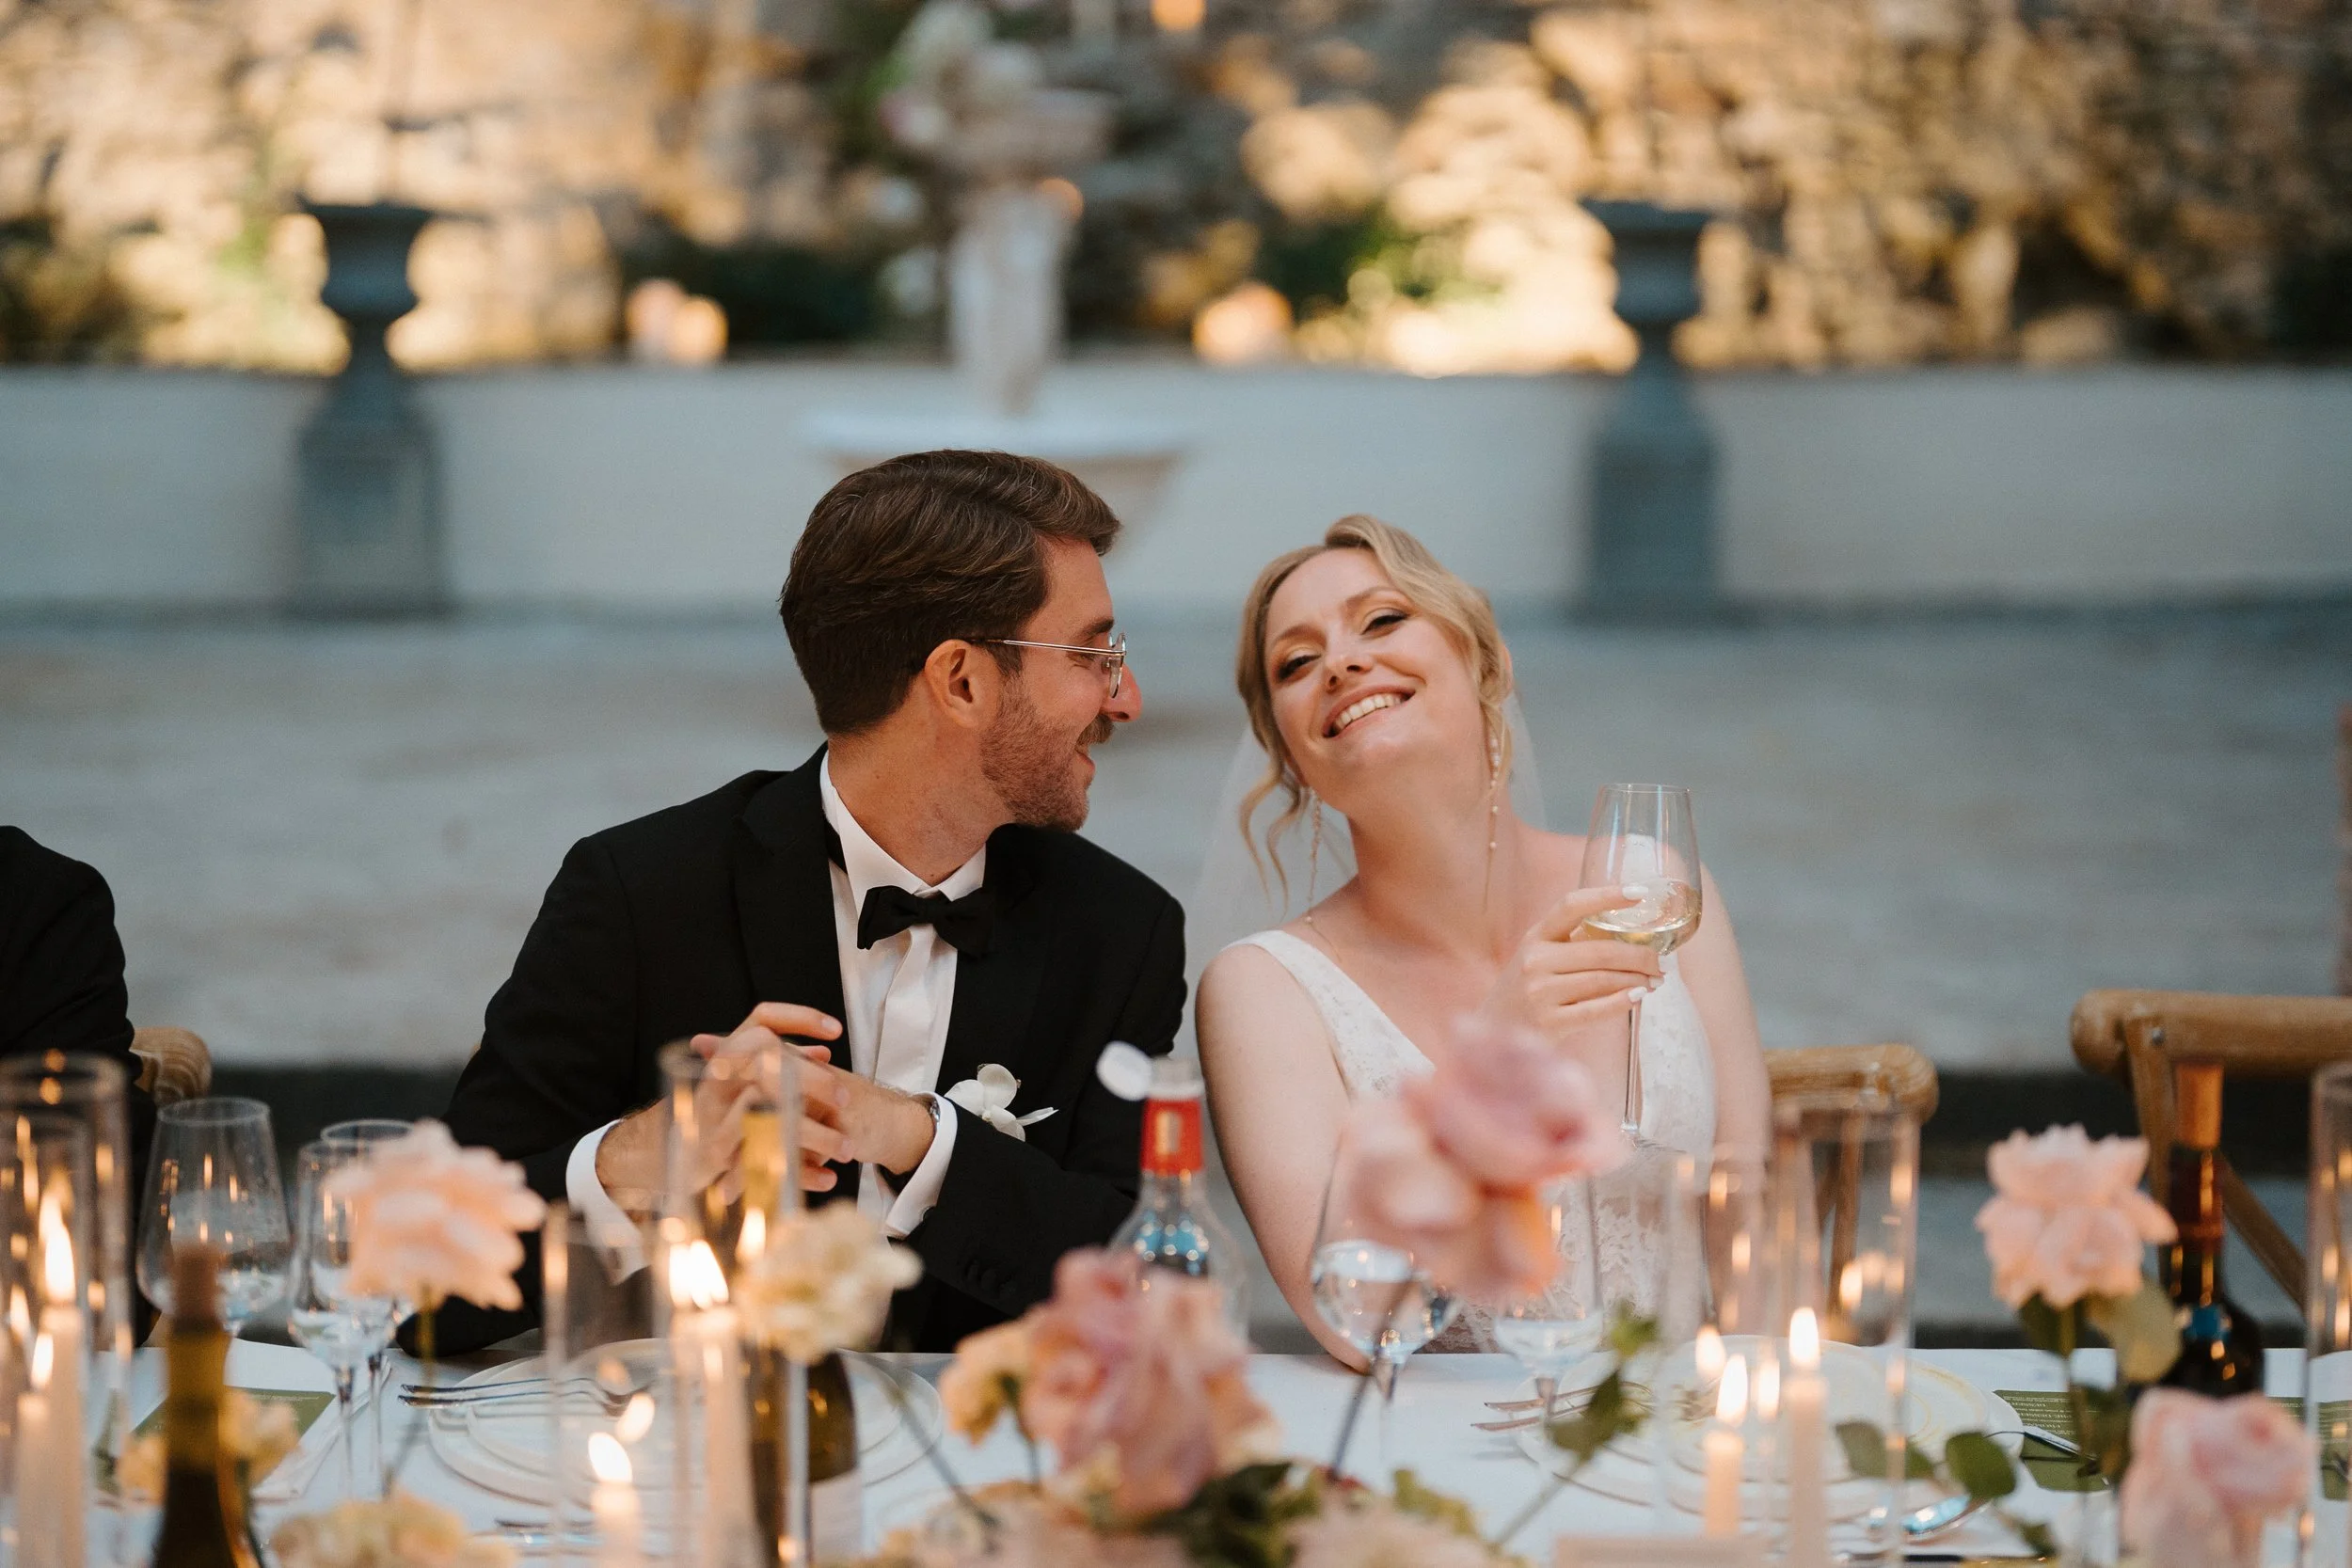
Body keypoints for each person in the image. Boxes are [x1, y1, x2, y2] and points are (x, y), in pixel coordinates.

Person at [438, 451, 1184, 1352]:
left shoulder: (1122, 933)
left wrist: (920, 1140)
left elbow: (1151, 1281)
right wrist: (641, 1158)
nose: (1125, 697)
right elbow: (423, 1285)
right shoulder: (640, 893)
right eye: (1093, 654)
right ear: (961, 680)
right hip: (695, 1428)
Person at [1194, 516, 1770, 1366]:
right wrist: (1488, 1059)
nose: (1341, 663)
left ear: (1485, 660)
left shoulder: (1657, 889)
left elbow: (1753, 1223)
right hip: (1442, 1439)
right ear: (1287, 752)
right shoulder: (1262, 989)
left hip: (1677, 1425)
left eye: (1382, 620)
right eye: (1297, 662)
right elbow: (1353, 1321)